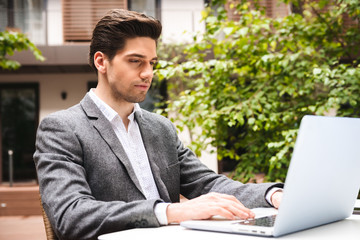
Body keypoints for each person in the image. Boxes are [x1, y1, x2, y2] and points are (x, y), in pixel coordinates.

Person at [34, 9, 283, 240]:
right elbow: (71, 216)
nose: (148, 73)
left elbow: (209, 184)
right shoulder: (62, 129)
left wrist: (272, 195)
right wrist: (171, 212)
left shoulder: (160, 128)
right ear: (101, 62)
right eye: (135, 61)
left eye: (152, 63)